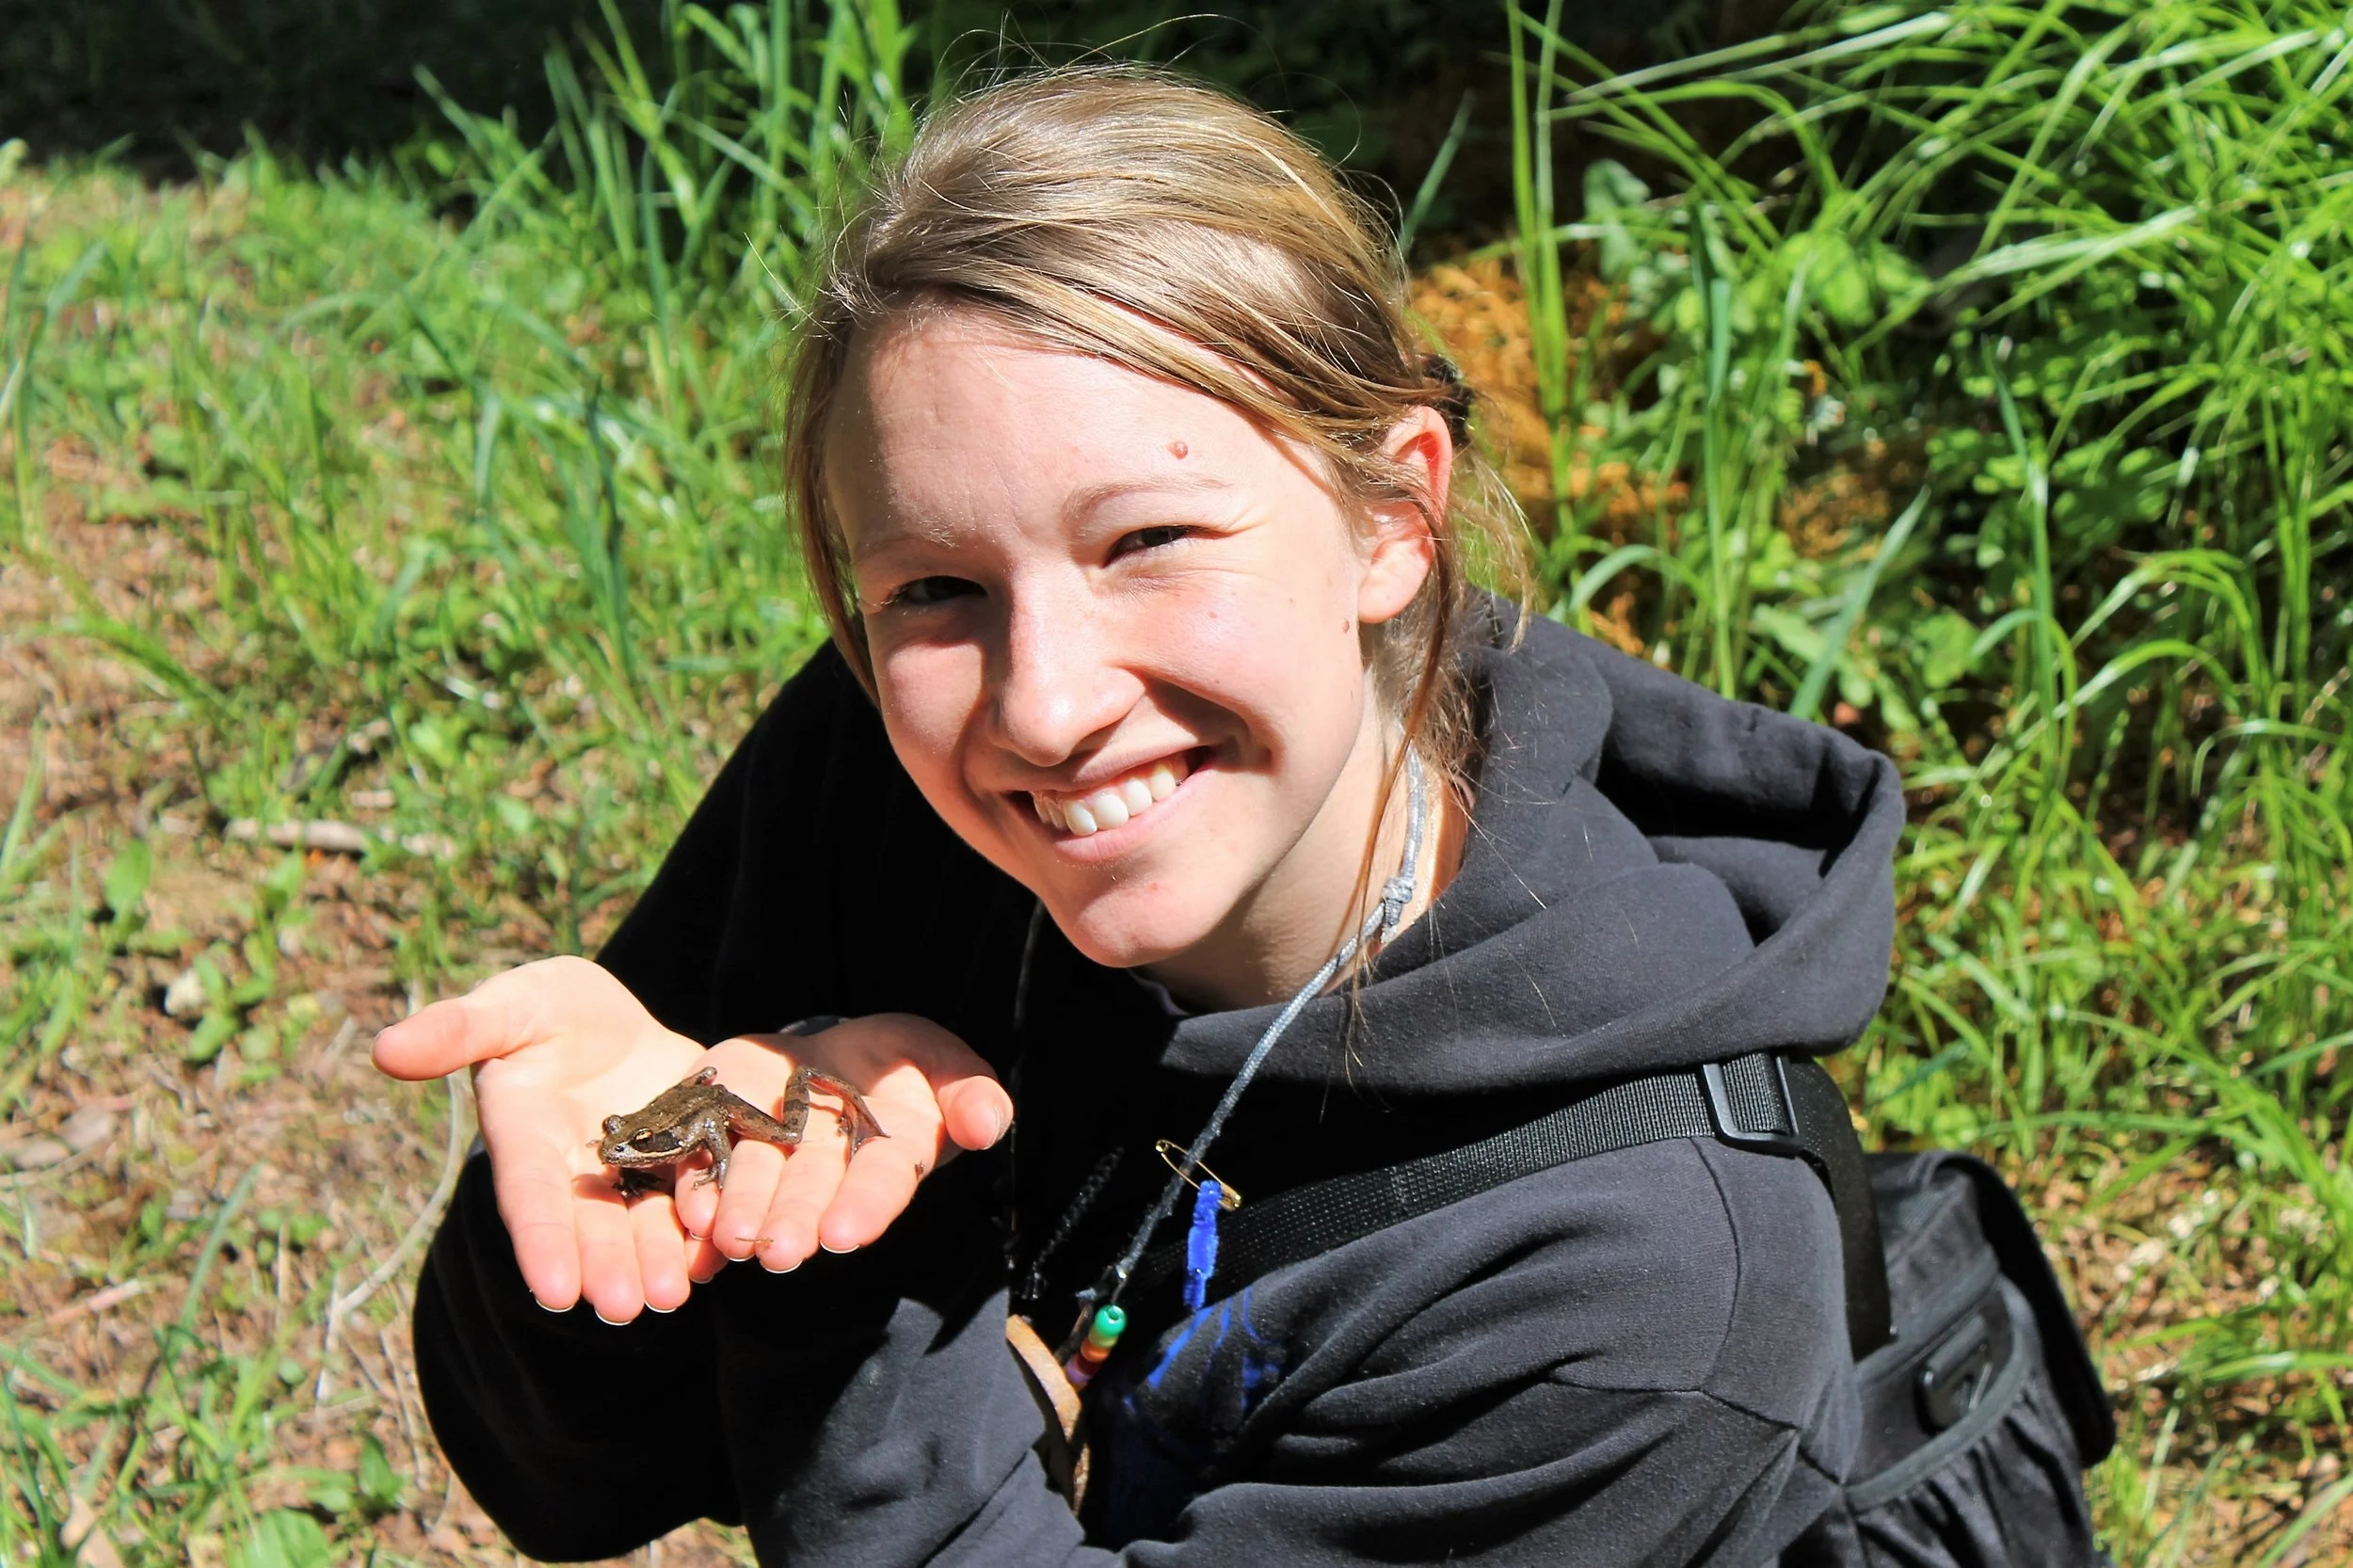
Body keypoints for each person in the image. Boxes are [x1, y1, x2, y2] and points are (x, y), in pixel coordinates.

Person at [376, 65, 1904, 1566]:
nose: (1041, 705)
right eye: (934, 587)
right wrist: (645, 1200)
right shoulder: (903, 766)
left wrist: (846, 1263)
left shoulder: (1649, 1292)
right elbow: (562, 1480)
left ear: (1395, 521)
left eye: (1150, 538)